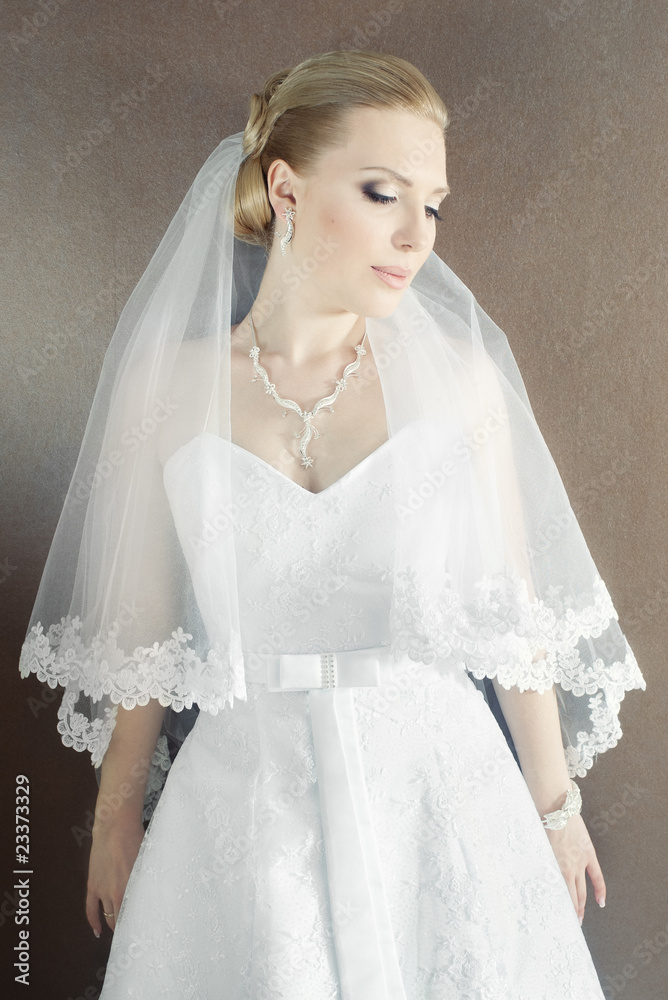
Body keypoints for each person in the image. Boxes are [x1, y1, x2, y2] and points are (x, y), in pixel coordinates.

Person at [20, 50, 646, 998]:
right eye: (383, 193)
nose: (416, 235)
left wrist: (556, 812)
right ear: (286, 189)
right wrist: (115, 818)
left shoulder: (459, 381)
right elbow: (145, 635)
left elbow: (512, 614)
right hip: (245, 805)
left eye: (432, 206)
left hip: (442, 799)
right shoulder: (170, 388)